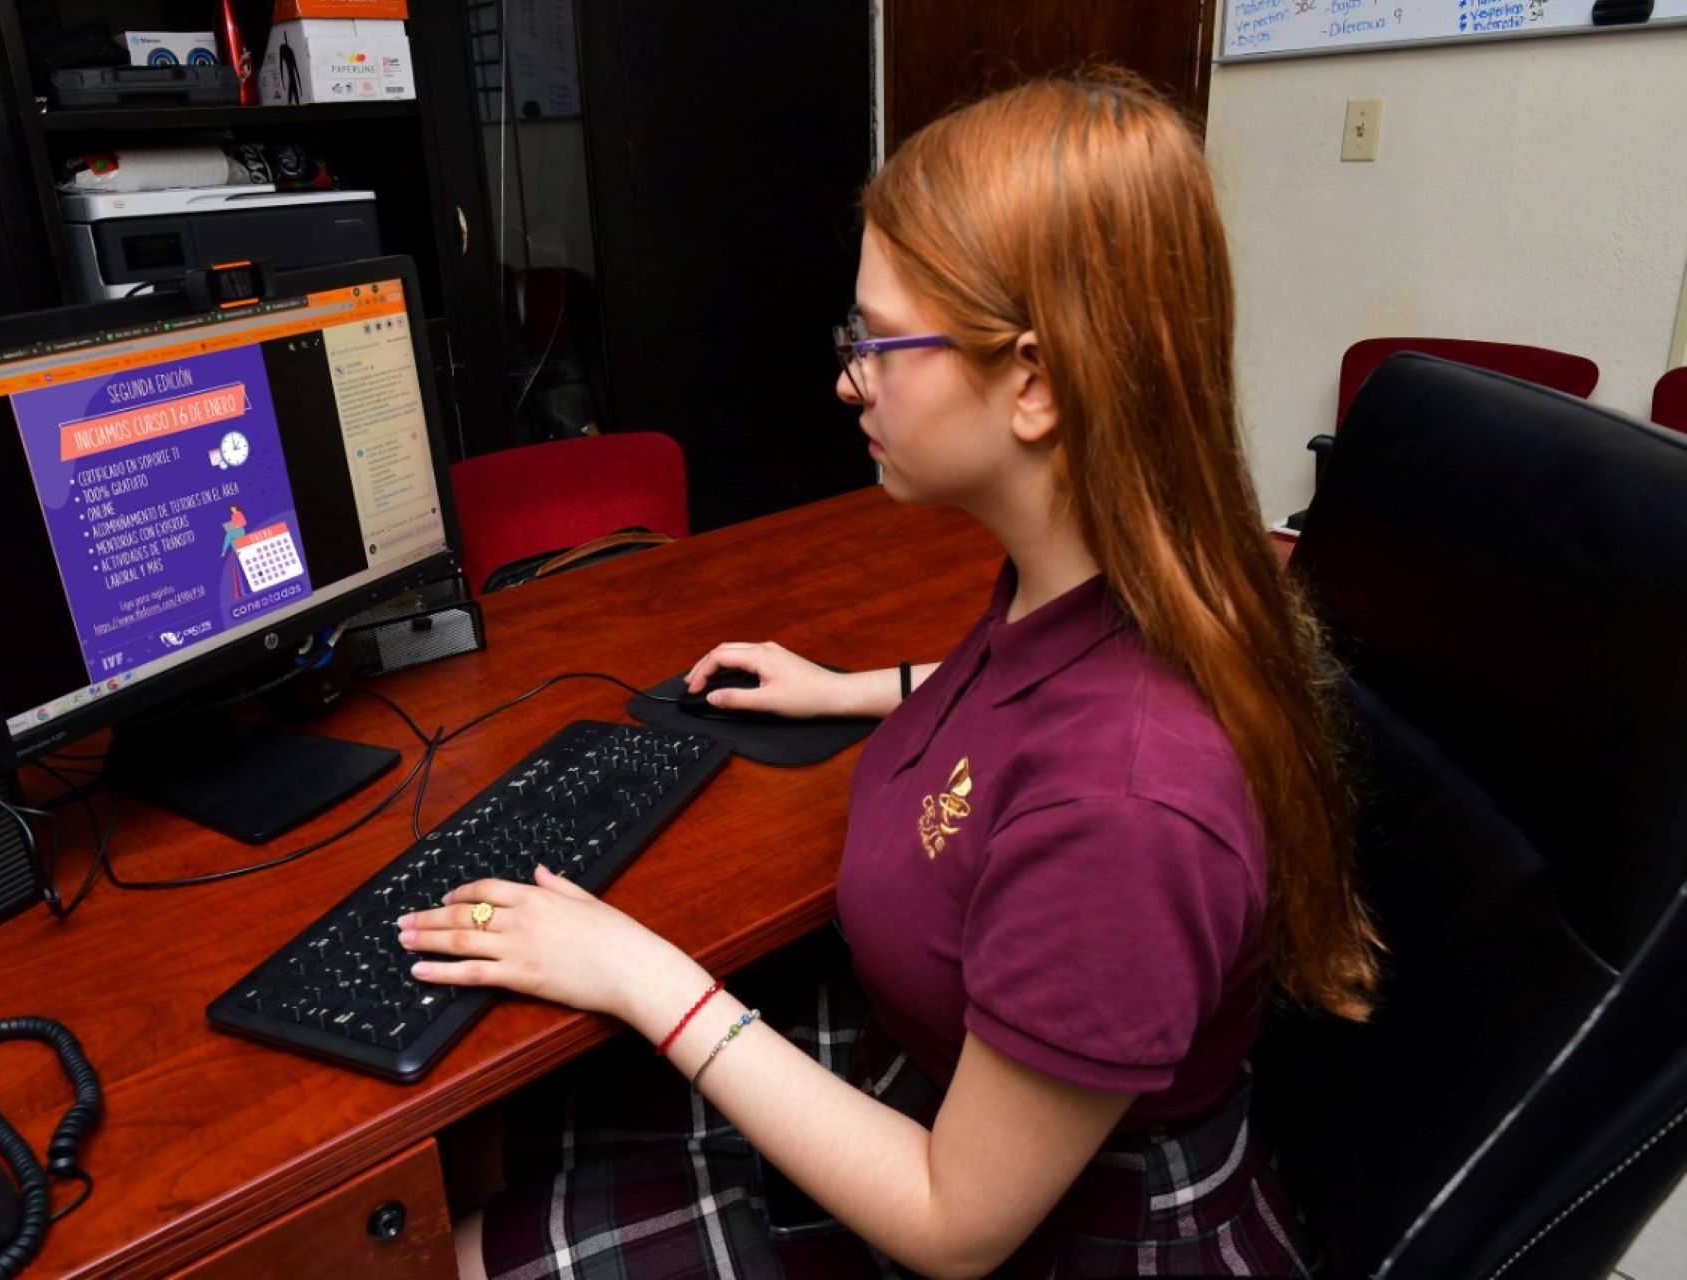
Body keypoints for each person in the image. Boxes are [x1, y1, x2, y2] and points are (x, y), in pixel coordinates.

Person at [395, 72, 1381, 1278]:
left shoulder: (1128, 803)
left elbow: (953, 1223)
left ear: (1038, 381)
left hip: (1055, 1227)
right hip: (944, 1067)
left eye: (879, 343)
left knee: (453, 1243)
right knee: (508, 1126)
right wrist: (849, 686)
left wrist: (641, 966)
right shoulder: (1100, 577)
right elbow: (1027, 704)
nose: (848, 379)